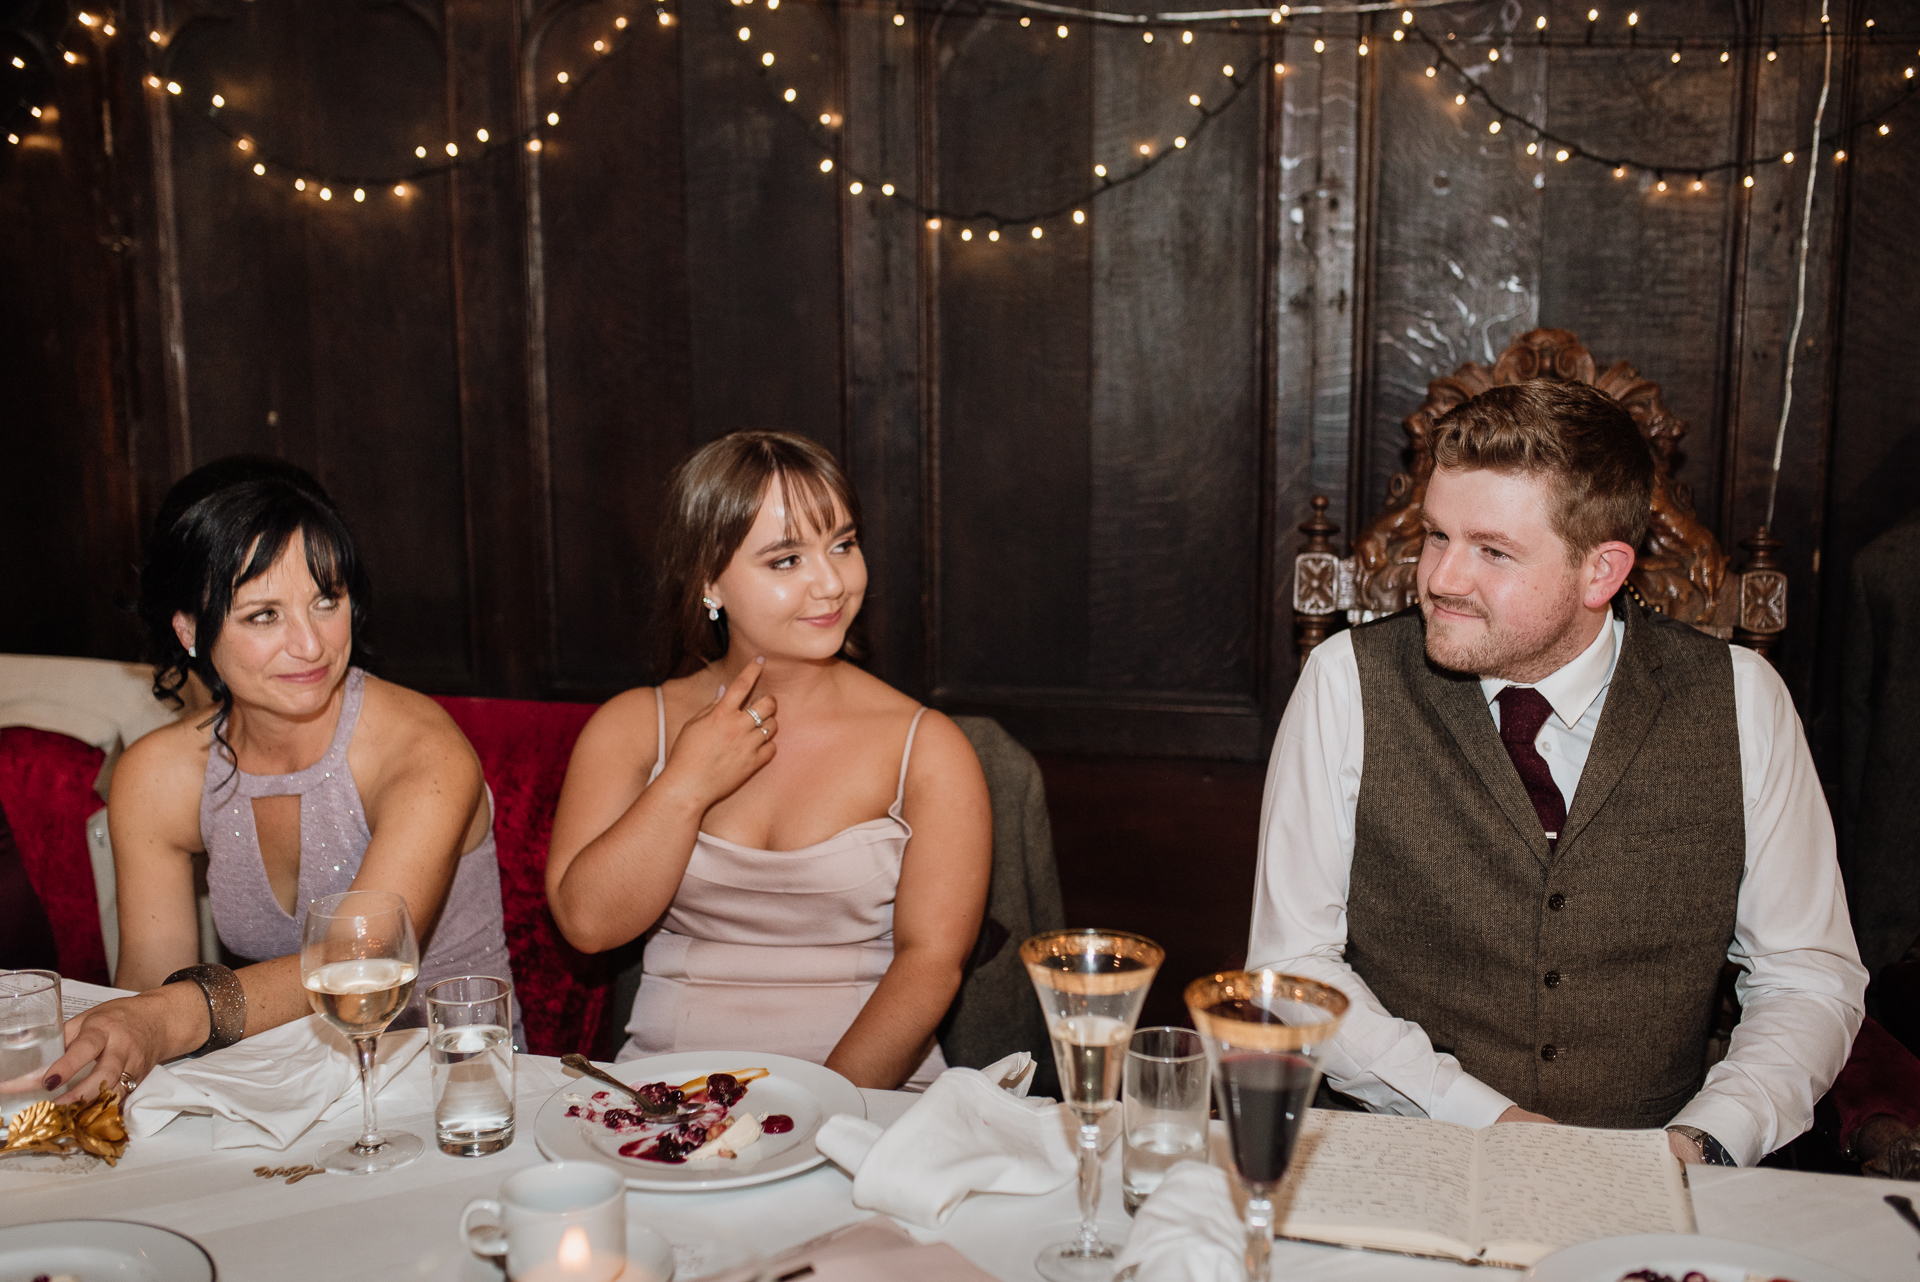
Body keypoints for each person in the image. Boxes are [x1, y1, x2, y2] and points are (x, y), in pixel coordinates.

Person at [1247, 380, 1867, 1168]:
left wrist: (1706, 1140)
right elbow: (1291, 966)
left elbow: (1806, 978)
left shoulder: (1743, 702)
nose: (1441, 578)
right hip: (1404, 1160)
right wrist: (1481, 1119)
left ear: (1600, 572)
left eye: (1492, 551)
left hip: (1661, 1172)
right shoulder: (1344, 682)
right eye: (1437, 536)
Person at [45, 457, 516, 1104]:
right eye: (263, 615)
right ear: (189, 630)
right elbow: (145, 1000)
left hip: (454, 1095)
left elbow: (364, 961)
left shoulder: (421, 748)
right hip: (276, 1094)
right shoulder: (159, 776)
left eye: (327, 600)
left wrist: (177, 1016)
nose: (311, 644)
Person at [546, 431, 991, 1090]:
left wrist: (818, 1112)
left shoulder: (927, 745)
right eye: (786, 561)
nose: (832, 583)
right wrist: (685, 784)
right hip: (667, 1092)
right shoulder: (635, 727)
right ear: (708, 582)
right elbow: (588, 924)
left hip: (868, 1094)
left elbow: (931, 966)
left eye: (842, 545)